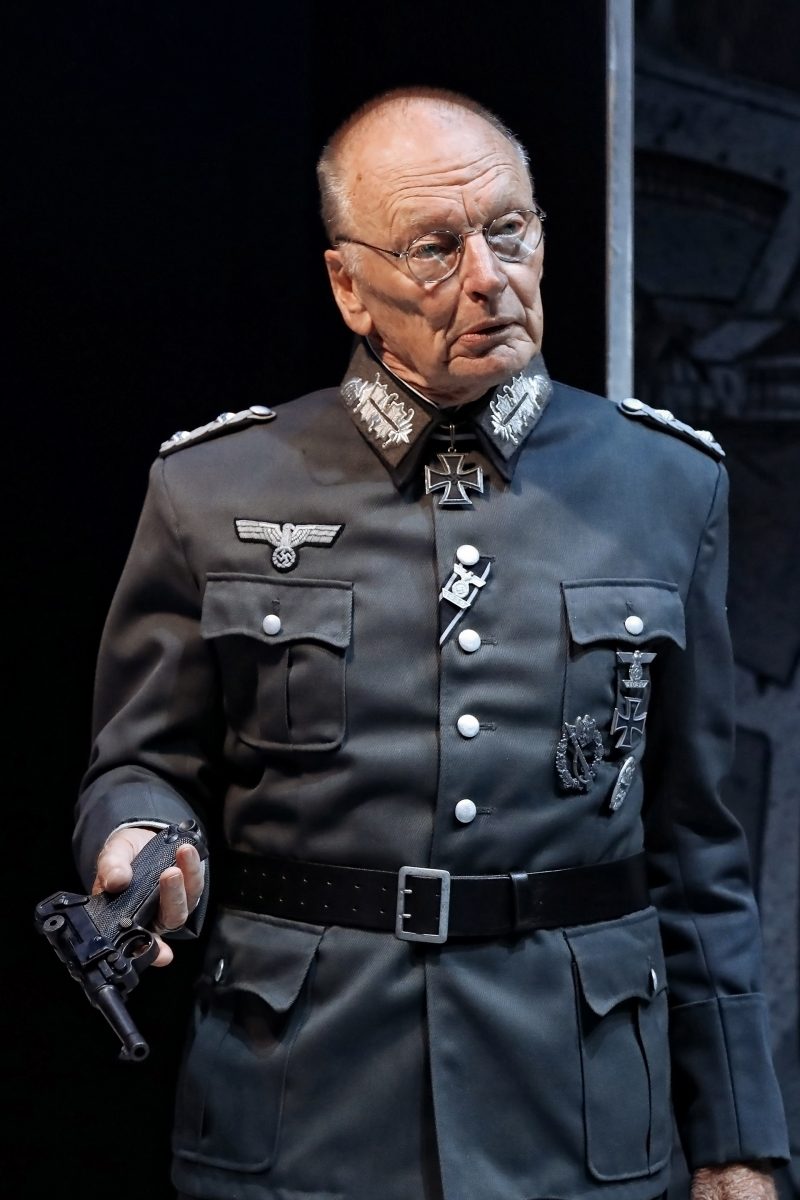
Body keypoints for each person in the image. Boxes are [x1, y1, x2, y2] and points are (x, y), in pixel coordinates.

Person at [76, 87, 789, 1200]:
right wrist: (136, 843)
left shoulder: (665, 486)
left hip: (578, 1108)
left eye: (508, 231)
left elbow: (697, 845)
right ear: (347, 287)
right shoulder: (211, 490)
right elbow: (143, 767)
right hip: (302, 1099)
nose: (487, 277)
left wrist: (739, 1138)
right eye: (433, 248)